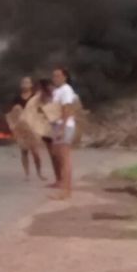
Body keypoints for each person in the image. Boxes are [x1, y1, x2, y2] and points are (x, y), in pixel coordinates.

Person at [50, 67, 79, 200]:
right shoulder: (57, 91)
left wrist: (62, 128)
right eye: (54, 76)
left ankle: (66, 191)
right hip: (57, 126)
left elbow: (67, 109)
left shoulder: (66, 90)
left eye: (58, 75)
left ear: (64, 77)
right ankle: (62, 185)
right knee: (57, 156)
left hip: (65, 126)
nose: (55, 78)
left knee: (65, 158)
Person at [12, 76, 45, 181]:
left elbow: (41, 110)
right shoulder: (16, 98)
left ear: (31, 85)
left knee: (35, 152)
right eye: (23, 82)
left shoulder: (35, 97)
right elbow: (13, 113)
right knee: (24, 151)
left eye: (27, 82)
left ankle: (39, 173)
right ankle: (27, 174)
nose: (25, 84)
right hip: (22, 127)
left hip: (33, 127)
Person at [35, 79, 61, 186]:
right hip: (47, 128)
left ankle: (61, 179)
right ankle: (58, 179)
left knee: (57, 155)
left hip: (56, 127)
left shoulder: (56, 96)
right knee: (52, 155)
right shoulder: (41, 97)